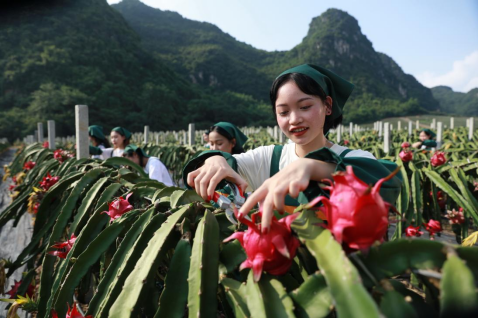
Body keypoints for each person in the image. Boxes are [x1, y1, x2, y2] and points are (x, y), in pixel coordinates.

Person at [183, 64, 402, 232]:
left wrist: (316, 168)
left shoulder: (354, 158)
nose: (294, 119)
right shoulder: (270, 158)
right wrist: (214, 158)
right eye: (284, 112)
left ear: (327, 105)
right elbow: (227, 164)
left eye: (305, 107)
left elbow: (387, 181)